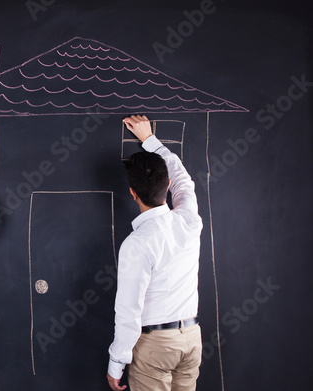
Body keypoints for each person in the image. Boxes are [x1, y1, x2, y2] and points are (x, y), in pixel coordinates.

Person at [107, 116, 203, 391]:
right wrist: (150, 140)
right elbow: (183, 181)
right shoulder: (189, 220)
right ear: (168, 183)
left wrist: (117, 362)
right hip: (192, 339)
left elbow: (129, 310)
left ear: (132, 193)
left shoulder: (137, 243)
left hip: (156, 345)